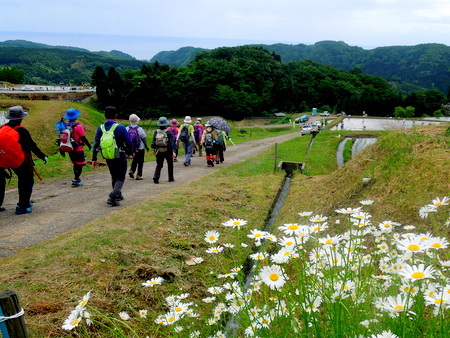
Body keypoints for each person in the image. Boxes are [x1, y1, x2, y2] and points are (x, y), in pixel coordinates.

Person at [0, 106, 47, 214]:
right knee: (26, 180)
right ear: (19, 118)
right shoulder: (22, 131)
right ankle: (22, 205)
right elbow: (32, 146)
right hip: (20, 160)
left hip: (4, 159)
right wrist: (42, 156)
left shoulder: (2, 128)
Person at [91, 106, 133, 207]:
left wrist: (94, 158)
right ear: (116, 115)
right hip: (120, 154)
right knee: (121, 177)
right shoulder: (120, 127)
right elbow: (128, 142)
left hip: (107, 155)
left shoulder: (100, 128)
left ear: (105, 115)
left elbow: (96, 144)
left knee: (114, 175)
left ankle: (118, 194)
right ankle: (113, 196)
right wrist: (130, 153)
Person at [61, 108, 91, 187]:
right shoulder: (78, 126)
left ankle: (76, 179)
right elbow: (83, 137)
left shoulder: (64, 126)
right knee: (80, 164)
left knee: (75, 164)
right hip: (78, 148)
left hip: (69, 148)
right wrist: (89, 145)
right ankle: (75, 179)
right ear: (76, 117)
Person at [151, 117, 176, 184]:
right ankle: (171, 178)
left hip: (159, 150)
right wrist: (173, 151)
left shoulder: (156, 131)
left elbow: (153, 142)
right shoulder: (169, 132)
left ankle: (156, 176)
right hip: (168, 150)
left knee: (159, 164)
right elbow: (171, 142)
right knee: (170, 164)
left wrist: (155, 149)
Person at [126, 114, 149, 180]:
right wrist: (146, 146)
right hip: (140, 147)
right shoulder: (139, 129)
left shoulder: (127, 128)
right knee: (140, 161)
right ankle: (139, 175)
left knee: (135, 159)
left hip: (131, 148)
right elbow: (143, 138)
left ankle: (132, 170)